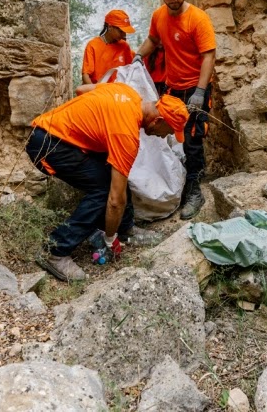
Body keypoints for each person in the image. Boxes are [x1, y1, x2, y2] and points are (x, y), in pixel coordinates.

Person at [26, 82, 189, 281]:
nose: (165, 136)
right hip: (49, 146)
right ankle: (56, 251)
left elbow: (82, 90)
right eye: (169, 131)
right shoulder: (125, 134)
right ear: (158, 121)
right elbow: (114, 200)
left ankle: (125, 229)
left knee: (116, 177)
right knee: (104, 191)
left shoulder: (127, 91)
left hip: (54, 135)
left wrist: (88, 121)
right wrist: (109, 239)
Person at [133, 0, 216, 220]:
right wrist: (138, 55)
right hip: (172, 88)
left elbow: (209, 56)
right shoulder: (159, 16)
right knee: (170, 137)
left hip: (195, 87)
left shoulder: (198, 19)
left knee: (192, 139)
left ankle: (194, 191)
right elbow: (153, 40)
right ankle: (176, 181)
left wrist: (200, 91)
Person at [81, 9, 135, 85]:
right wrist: (94, 92)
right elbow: (86, 75)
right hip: (98, 90)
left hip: (118, 91)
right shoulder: (93, 45)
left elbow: (130, 72)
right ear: (110, 27)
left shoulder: (125, 46)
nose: (124, 35)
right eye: (121, 31)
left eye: (125, 32)